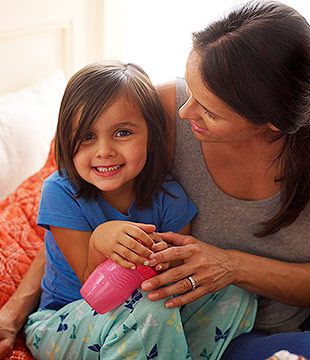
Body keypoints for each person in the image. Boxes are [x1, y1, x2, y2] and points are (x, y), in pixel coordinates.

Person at [0, 0, 310, 359]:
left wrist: (229, 266)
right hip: (155, 319)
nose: (186, 111)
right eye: (190, 87)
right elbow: (73, 209)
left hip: (259, 311)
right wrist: (15, 312)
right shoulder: (160, 111)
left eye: (209, 110)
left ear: (270, 124)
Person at [18, 60, 256, 360]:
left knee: (235, 295)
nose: (104, 150)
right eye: (87, 136)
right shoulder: (61, 192)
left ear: (150, 135)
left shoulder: (170, 197)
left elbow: (171, 281)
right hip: (62, 323)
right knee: (147, 307)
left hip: (147, 316)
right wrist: (99, 240)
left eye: (122, 133)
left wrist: (162, 261)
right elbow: (94, 291)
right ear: (67, 139)